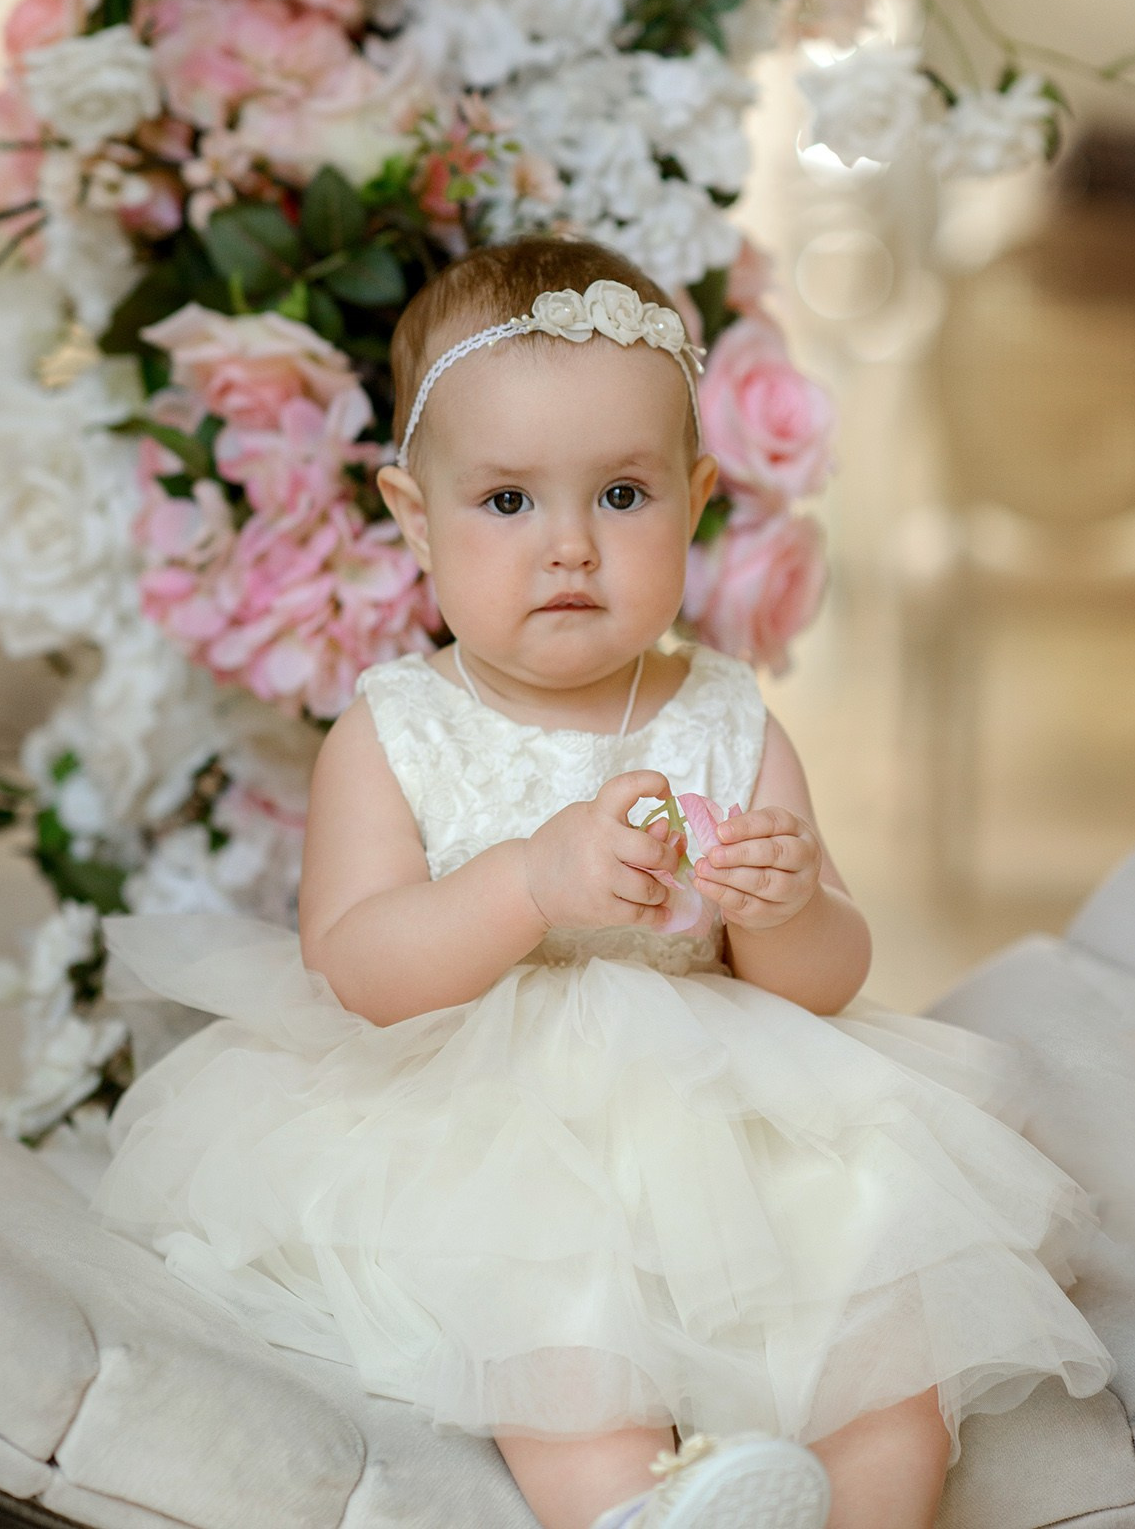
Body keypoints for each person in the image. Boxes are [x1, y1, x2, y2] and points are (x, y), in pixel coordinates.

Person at [93, 235, 1115, 1529]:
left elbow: (819, 986)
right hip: (475, 1109)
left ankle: (872, 1507)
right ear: (413, 517)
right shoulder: (398, 727)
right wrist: (528, 879)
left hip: (733, 1105)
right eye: (508, 501)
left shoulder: (727, 716)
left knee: (875, 1283)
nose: (569, 546)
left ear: (692, 500)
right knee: (549, 1299)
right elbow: (357, 970)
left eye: (620, 497)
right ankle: (635, 1505)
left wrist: (786, 906)